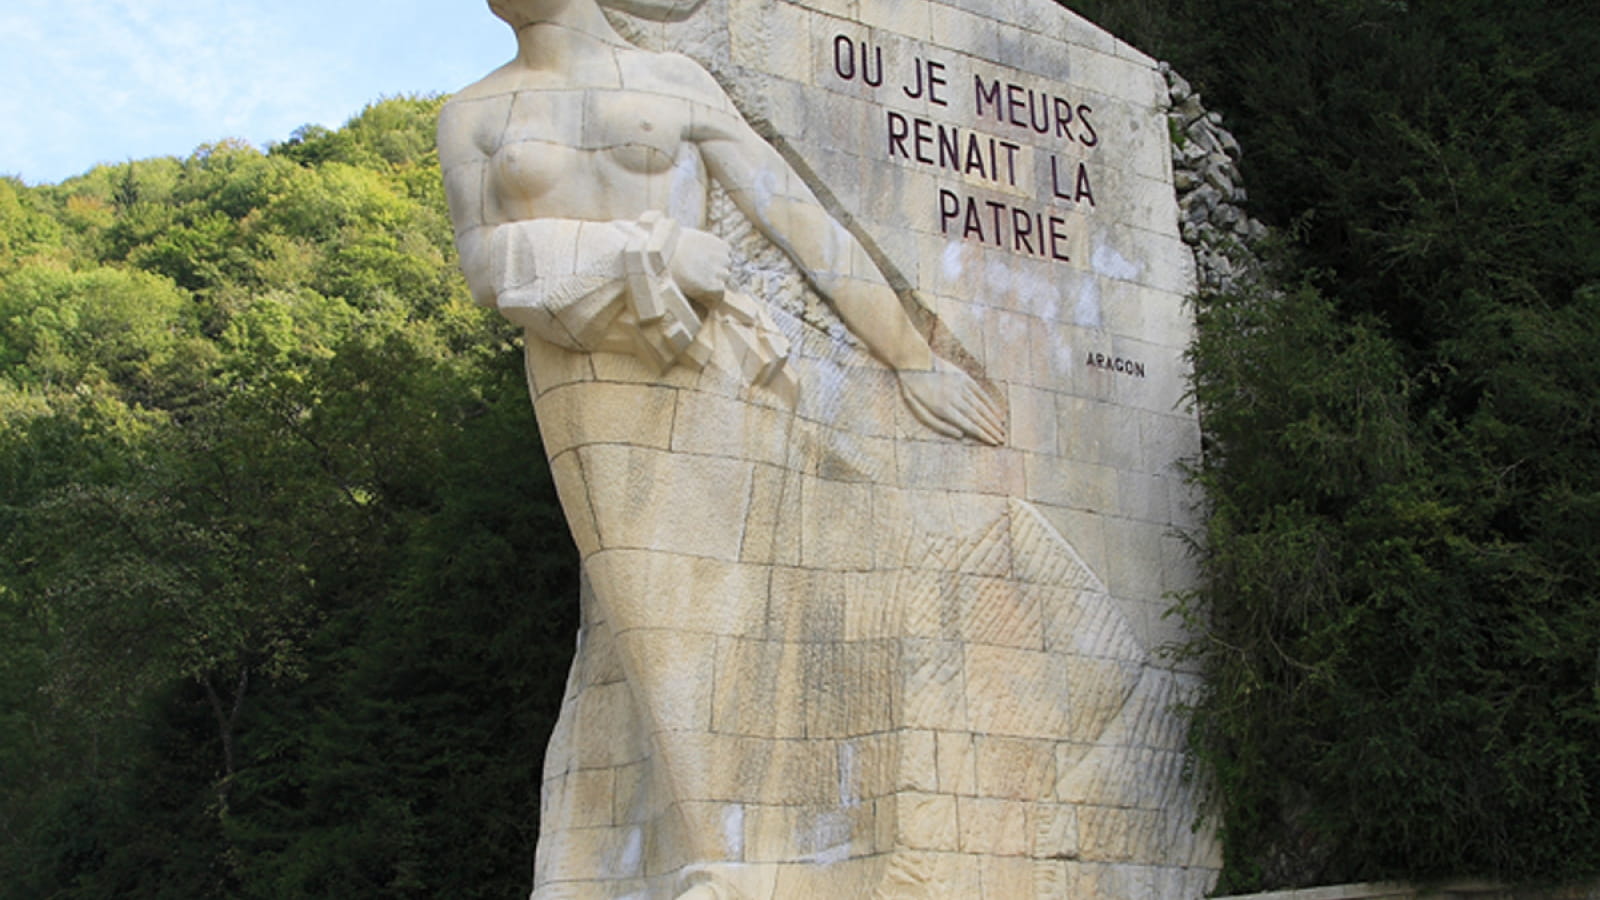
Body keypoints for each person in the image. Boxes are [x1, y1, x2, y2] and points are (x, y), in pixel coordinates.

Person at [441, 0, 1005, 896]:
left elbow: (799, 220)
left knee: (745, 606)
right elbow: (483, 265)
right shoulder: (473, 112)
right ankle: (709, 860)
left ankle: (748, 862)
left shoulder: (676, 80)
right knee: (646, 608)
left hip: (715, 366)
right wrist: (649, 252)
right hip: (585, 378)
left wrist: (910, 359)